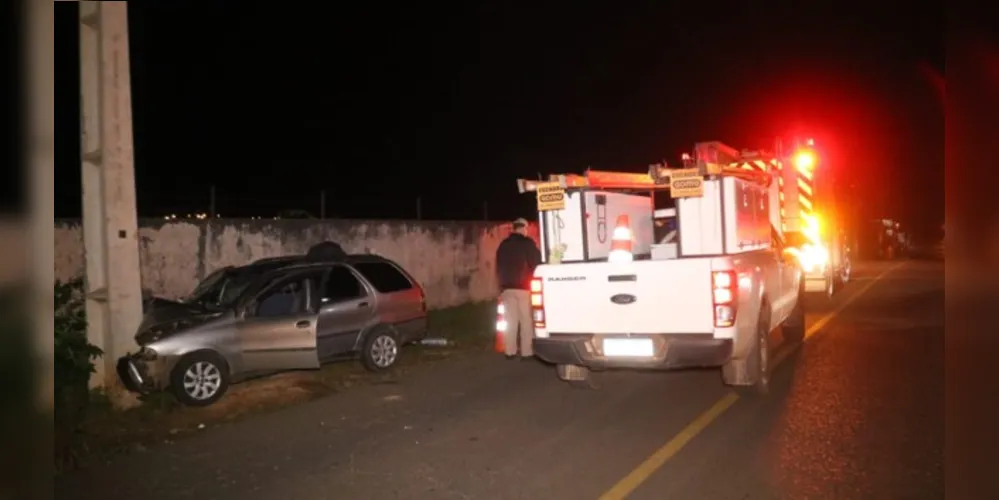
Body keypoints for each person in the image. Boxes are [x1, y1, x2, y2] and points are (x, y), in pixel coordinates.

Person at [495, 218, 542, 360]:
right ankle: (527, 352)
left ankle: (510, 351)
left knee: (511, 320)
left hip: (507, 288)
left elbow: (499, 266)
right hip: (524, 288)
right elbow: (536, 263)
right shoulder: (528, 243)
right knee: (526, 320)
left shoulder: (503, 245)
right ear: (523, 228)